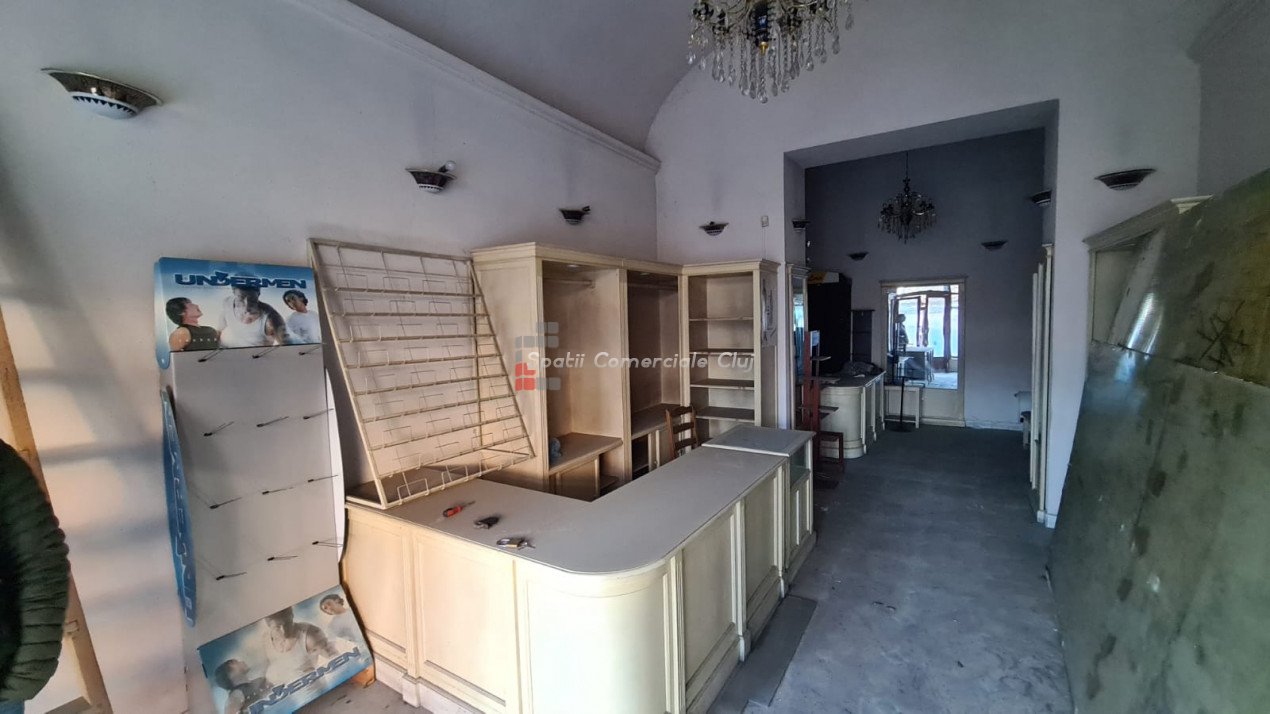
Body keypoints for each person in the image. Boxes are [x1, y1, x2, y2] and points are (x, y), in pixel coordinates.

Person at [261, 607, 337, 688]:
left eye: (287, 624)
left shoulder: (310, 635)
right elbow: (270, 667)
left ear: (292, 616)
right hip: (288, 692)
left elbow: (336, 659)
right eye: (277, 627)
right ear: (268, 625)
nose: (284, 631)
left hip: (316, 689)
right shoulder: (266, 639)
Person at [217, 286, 288, 348]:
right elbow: (220, 326)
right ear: (233, 292)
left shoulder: (272, 319)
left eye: (252, 300)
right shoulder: (228, 302)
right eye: (241, 299)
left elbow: (287, 347)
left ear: (259, 294)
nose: (247, 308)